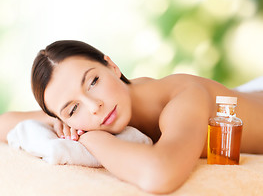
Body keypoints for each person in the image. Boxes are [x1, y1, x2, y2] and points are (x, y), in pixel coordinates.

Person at [1, 39, 263, 194]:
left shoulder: (185, 97)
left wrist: (92, 139)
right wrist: (62, 120)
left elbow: (159, 174)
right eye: (72, 108)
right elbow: (5, 122)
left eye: (92, 81)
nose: (94, 106)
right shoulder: (88, 112)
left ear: (112, 66)